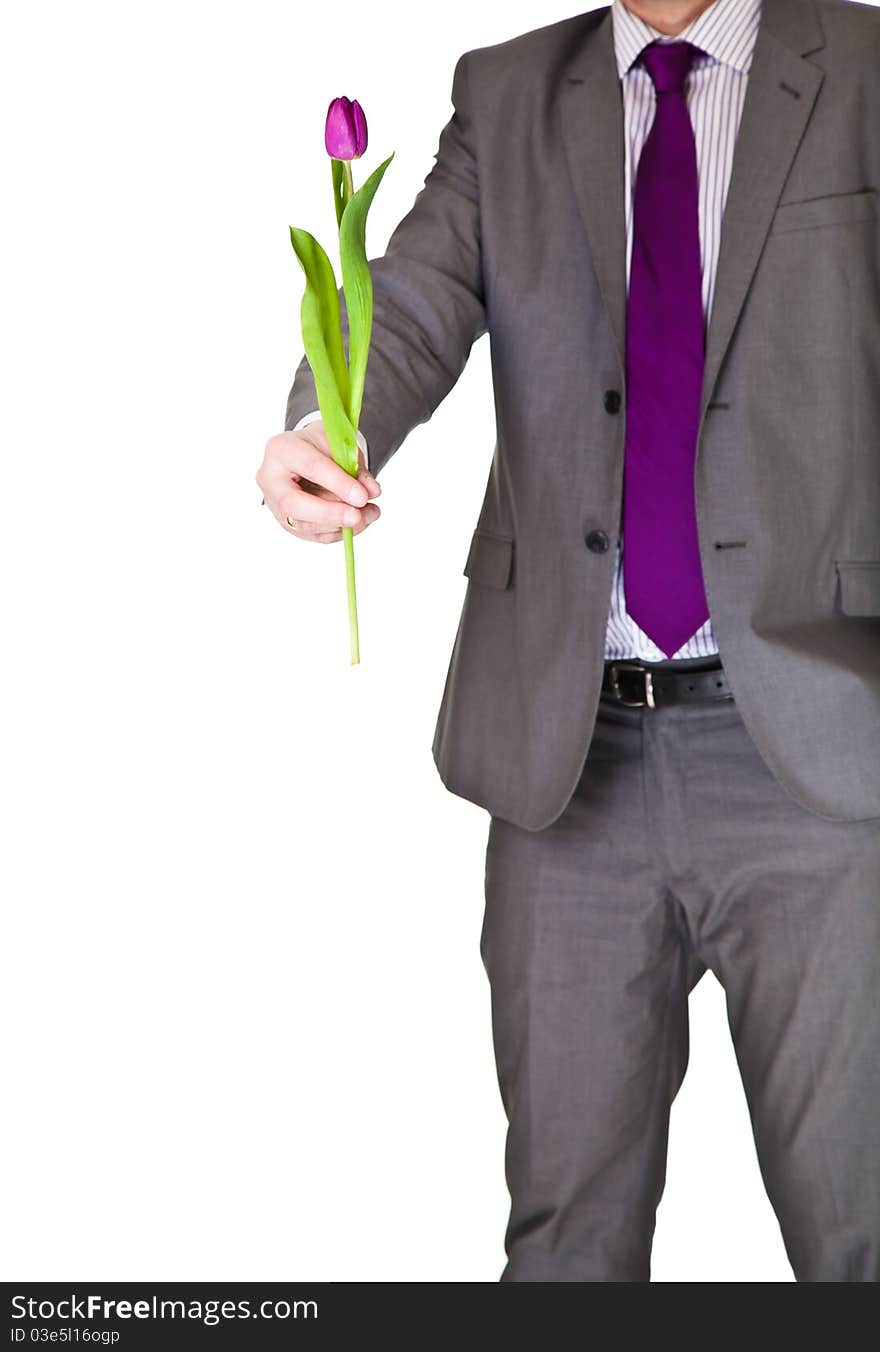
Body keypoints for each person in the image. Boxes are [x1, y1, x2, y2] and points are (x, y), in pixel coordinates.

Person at [256, 0, 880, 1281]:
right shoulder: (507, 93)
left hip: (824, 755)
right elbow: (409, 310)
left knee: (859, 1236)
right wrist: (326, 426)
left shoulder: (864, 60)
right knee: (565, 1247)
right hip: (566, 768)